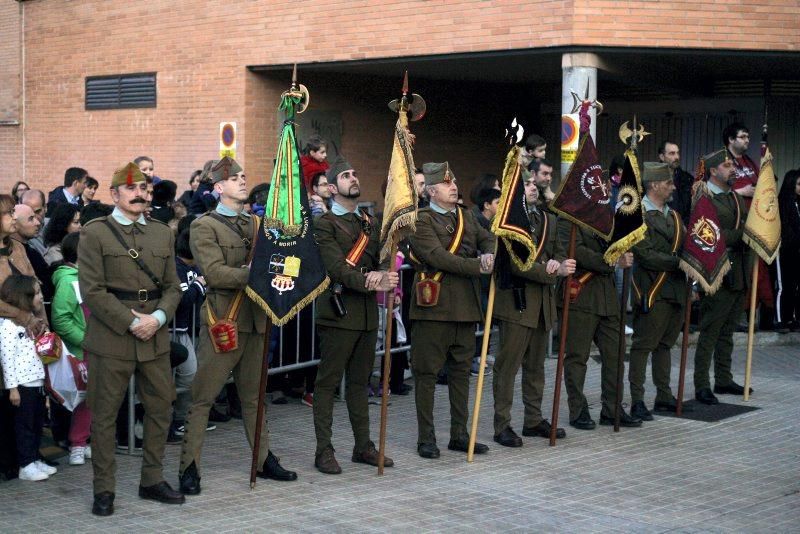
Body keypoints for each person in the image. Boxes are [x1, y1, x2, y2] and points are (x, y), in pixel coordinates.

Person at [178, 157, 296, 496]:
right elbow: (214, 274)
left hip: (257, 320)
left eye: (244, 176)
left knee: (254, 398)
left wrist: (285, 271)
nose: (243, 181)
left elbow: (281, 262)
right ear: (218, 188)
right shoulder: (205, 226)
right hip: (224, 321)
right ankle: (189, 466)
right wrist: (260, 275)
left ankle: (263, 459)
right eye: (235, 178)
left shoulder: (259, 225)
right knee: (203, 398)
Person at [78, 162, 184, 516]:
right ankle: (104, 489)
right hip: (112, 338)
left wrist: (156, 318)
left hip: (153, 336)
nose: (141, 194)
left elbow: (172, 286)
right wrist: (130, 322)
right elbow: (92, 290)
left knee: (161, 407)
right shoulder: (95, 233)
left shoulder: (161, 233)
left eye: (146, 189)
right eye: (132, 189)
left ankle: (151, 480)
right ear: (114, 194)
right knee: (105, 415)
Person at [311, 156, 399, 474]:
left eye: (355, 173)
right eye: (346, 176)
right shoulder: (323, 224)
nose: (353, 178)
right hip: (338, 311)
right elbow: (335, 268)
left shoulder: (367, 222)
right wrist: (370, 279)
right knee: (327, 383)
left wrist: (384, 269)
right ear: (333, 188)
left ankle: (363, 446)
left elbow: (378, 258)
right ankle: (324, 450)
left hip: (364, 314)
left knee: (360, 383)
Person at [408, 162, 495, 459]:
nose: (453, 186)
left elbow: (488, 238)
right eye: (446, 183)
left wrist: (491, 254)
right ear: (431, 190)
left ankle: (459, 434)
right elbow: (437, 257)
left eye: (454, 179)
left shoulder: (468, 216)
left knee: (461, 375)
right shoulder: (421, 220)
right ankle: (426, 438)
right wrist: (478, 266)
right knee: (427, 375)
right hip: (434, 308)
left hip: (466, 308)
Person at [492, 175, 574, 447]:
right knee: (507, 368)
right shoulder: (509, 223)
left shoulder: (547, 219)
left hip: (541, 305)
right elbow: (516, 264)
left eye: (534, 184)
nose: (532, 188)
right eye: (526, 184)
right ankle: (502, 425)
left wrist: (560, 263)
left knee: (536, 368)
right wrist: (551, 271)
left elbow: (559, 251)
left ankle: (533, 419)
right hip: (517, 303)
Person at [556, 218, 642, 430]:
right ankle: (578, 410)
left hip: (608, 298)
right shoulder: (568, 221)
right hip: (582, 298)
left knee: (616, 355)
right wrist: (613, 260)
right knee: (577, 357)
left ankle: (612, 409)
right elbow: (577, 252)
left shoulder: (607, 220)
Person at [627, 163, 688, 419]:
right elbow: (647, 255)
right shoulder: (636, 214)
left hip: (675, 290)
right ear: (654, 185)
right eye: (668, 183)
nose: (673, 187)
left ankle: (664, 394)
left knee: (665, 345)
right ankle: (637, 400)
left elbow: (686, 245)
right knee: (643, 346)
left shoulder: (673, 215)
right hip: (652, 289)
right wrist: (680, 263)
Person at [693, 149, 751, 405]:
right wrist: (744, 236)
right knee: (710, 330)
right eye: (727, 165)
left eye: (733, 165)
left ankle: (723, 378)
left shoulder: (735, 199)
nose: (733, 169)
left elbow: (747, 225)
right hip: (716, 272)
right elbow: (709, 235)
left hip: (738, 271)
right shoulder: (704, 198)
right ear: (714, 170)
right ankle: (701, 384)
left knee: (728, 330)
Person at [0, 194, 47, 482]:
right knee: (10, 400)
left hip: (30, 328)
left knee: (31, 401)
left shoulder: (17, 247)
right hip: (6, 330)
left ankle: (28, 455)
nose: (12, 218)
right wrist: (22, 315)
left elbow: (32, 280)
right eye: (7, 214)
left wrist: (38, 317)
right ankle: (11, 460)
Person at [0, 274, 54, 481]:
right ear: (23, 296)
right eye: (37, 293)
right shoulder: (8, 326)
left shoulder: (34, 323)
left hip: (37, 380)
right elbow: (7, 357)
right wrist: (12, 388)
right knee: (24, 425)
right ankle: (25, 464)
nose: (41, 297)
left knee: (36, 422)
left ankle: (34, 458)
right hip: (22, 383)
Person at [50, 232, 93, 465]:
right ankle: (76, 444)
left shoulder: (87, 277)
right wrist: (86, 341)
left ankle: (82, 441)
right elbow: (61, 319)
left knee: (90, 399)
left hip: (92, 349)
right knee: (79, 399)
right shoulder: (68, 281)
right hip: (81, 351)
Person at [167, 229, 207, 442]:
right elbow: (182, 300)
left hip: (186, 331)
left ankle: (180, 420)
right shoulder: (176, 267)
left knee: (191, 377)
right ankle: (167, 424)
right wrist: (199, 285)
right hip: (170, 331)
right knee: (168, 381)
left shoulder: (195, 267)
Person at [11, 204, 54, 302]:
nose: (37, 222)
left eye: (35, 217)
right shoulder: (11, 255)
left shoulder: (32, 252)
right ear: (14, 224)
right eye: (31, 219)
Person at [776, 169, 800, 332]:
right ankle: (780, 320)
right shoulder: (784, 201)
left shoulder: (798, 202)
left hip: (796, 250)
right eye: (798, 184)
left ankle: (792, 318)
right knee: (783, 286)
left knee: (794, 286)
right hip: (785, 250)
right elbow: (786, 228)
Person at [657, 141, 693, 225]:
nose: (677, 157)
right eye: (672, 153)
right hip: (659, 230)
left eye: (677, 153)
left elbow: (691, 209)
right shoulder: (652, 180)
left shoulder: (687, 179)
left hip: (682, 229)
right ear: (662, 157)